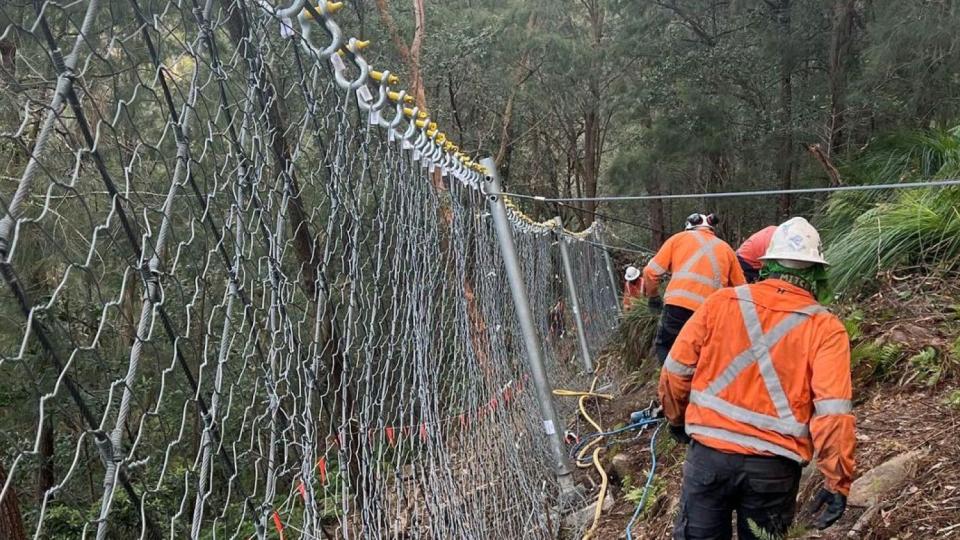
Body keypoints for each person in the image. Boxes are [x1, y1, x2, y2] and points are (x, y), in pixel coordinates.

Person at [658, 217, 855, 540]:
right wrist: (838, 481)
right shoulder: (826, 327)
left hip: (709, 457)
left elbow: (676, 370)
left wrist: (677, 420)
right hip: (773, 469)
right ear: (816, 270)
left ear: (767, 263)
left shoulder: (720, 302)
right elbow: (832, 414)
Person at [643, 213, 745, 363]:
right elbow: (742, 289)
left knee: (666, 347)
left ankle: (670, 381)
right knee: (701, 356)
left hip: (678, 307)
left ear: (688, 227)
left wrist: (653, 297)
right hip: (709, 313)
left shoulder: (678, 239)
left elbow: (650, 272)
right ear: (711, 228)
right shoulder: (727, 250)